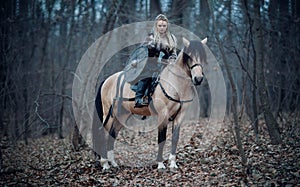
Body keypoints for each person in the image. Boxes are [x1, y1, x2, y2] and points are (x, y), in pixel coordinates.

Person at [133, 14, 178, 107]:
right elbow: (142, 50)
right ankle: (139, 98)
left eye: (164, 26)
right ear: (156, 26)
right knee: (147, 76)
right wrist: (136, 60)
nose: (162, 28)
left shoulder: (172, 38)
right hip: (151, 63)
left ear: (167, 26)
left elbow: (173, 53)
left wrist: (172, 60)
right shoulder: (151, 37)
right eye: (160, 26)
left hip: (166, 64)